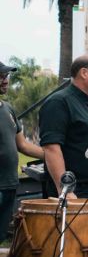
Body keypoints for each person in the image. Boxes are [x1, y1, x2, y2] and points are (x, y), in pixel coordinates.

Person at [39, 55, 88, 204]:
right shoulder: (59, 102)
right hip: (76, 191)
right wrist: (66, 191)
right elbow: (51, 148)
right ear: (84, 73)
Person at [0, 61, 44, 240]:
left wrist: (52, 155)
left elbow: (23, 145)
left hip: (9, 184)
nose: (5, 81)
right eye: (1, 76)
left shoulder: (8, 109)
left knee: (1, 234)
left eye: (6, 76)